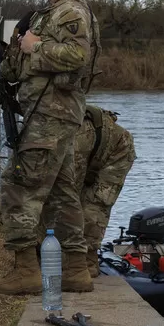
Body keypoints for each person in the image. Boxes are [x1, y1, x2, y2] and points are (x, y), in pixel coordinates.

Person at [0, 0, 99, 295]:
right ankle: (76, 271)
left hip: (51, 116)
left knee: (19, 187)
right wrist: (16, 49)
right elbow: (19, 66)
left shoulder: (70, 12)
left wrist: (34, 47)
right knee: (62, 194)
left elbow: (77, 57)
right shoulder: (45, 14)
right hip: (46, 115)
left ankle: (25, 272)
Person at [40, 105, 135, 278]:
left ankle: (88, 261)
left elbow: (67, 197)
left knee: (95, 202)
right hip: (92, 147)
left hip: (118, 148)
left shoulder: (73, 140)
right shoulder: (46, 130)